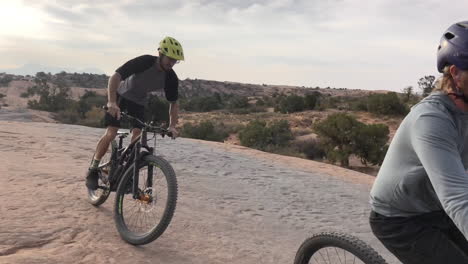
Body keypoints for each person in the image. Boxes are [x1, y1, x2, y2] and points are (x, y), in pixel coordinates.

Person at [369, 21, 468, 263]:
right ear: (455, 73)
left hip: (436, 206)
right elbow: (457, 198)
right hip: (399, 217)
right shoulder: (431, 119)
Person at [85, 36, 184, 190]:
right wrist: (111, 102)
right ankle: (93, 168)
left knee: (138, 136)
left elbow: (174, 103)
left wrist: (172, 126)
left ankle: (125, 173)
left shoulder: (170, 77)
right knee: (111, 132)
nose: (171, 63)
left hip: (138, 102)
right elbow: (115, 77)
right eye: (170, 59)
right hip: (120, 96)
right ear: (161, 54)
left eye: (175, 61)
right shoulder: (144, 62)